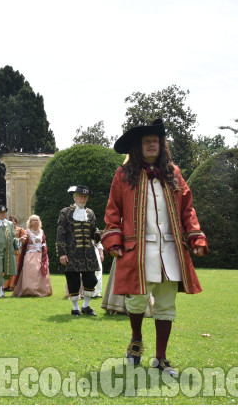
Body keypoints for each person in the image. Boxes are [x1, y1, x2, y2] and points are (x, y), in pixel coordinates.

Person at [102, 118, 208, 377]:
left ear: (163, 145)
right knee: (136, 300)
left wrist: (196, 237)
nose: (152, 145)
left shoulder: (174, 173)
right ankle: (136, 340)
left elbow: (188, 208)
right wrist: (113, 240)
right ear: (138, 147)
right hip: (137, 251)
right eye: (147, 142)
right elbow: (113, 209)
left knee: (166, 304)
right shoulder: (123, 174)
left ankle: (160, 359)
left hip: (170, 250)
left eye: (156, 141)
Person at [56, 185, 102, 317]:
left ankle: (86, 306)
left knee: (91, 280)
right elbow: (60, 234)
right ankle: (75, 308)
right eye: (81, 196)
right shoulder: (66, 212)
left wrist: (99, 234)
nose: (83, 198)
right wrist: (62, 253)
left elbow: (94, 232)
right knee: (73, 281)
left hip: (88, 253)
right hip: (71, 252)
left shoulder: (90, 213)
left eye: (85, 196)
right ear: (74, 197)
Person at [12, 215, 53, 297]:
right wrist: (22, 240)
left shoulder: (41, 231)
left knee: (40, 272)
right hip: (30, 254)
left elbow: (44, 241)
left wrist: (44, 246)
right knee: (31, 271)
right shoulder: (27, 231)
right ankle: (29, 290)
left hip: (40, 255)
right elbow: (23, 243)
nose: (35, 221)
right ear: (30, 222)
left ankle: (41, 290)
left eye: (37, 220)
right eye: (33, 220)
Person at [3, 215, 25, 291]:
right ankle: (5, 285)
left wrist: (18, 240)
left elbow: (24, 240)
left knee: (15, 268)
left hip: (17, 252)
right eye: (12, 222)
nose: (13, 224)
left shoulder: (20, 230)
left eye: (15, 222)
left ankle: (13, 285)